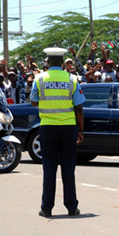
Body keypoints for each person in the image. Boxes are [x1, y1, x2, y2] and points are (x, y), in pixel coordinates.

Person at [31, 47, 86, 218]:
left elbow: (33, 102)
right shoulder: (72, 79)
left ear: (47, 62)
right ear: (62, 62)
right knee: (68, 168)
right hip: (68, 128)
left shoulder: (39, 78)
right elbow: (79, 108)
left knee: (49, 168)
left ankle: (46, 208)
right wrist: (81, 130)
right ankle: (71, 207)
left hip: (47, 128)